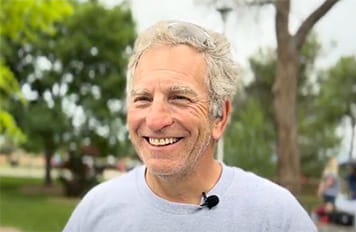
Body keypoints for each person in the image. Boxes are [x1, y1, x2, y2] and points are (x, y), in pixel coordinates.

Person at [63, 20, 317, 232]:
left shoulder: (275, 217)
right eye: (143, 99)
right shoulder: (96, 212)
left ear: (220, 117)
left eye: (179, 98)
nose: (155, 120)